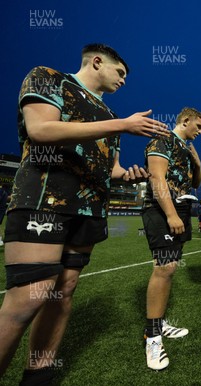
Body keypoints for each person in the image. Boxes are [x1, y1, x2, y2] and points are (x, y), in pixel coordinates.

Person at [0, 43, 169, 384]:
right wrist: (123, 125)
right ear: (97, 62)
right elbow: (41, 130)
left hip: (89, 210)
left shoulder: (109, 116)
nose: (123, 80)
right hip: (44, 202)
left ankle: (37, 378)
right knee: (27, 299)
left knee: (63, 294)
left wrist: (129, 174)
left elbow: (112, 168)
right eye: (120, 72)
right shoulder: (49, 78)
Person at [142, 107, 201, 370]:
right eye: (198, 126)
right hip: (162, 208)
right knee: (165, 266)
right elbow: (157, 177)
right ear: (185, 120)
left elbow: (196, 183)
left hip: (180, 208)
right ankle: (152, 337)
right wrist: (170, 214)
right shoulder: (163, 139)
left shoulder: (187, 148)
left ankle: (159, 323)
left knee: (171, 267)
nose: (200, 132)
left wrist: (198, 162)